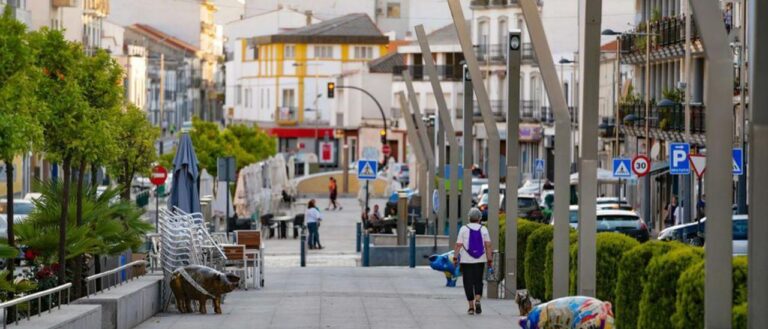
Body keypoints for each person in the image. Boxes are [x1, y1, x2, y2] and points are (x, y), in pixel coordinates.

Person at [453, 208, 492, 315]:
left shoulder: (463, 229)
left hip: (466, 260)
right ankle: (478, 300)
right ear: (479, 218)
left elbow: (458, 245)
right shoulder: (484, 229)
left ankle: (471, 307)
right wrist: (489, 259)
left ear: (469, 218)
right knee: (478, 281)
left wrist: (455, 258)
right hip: (480, 259)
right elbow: (488, 245)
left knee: (468, 282)